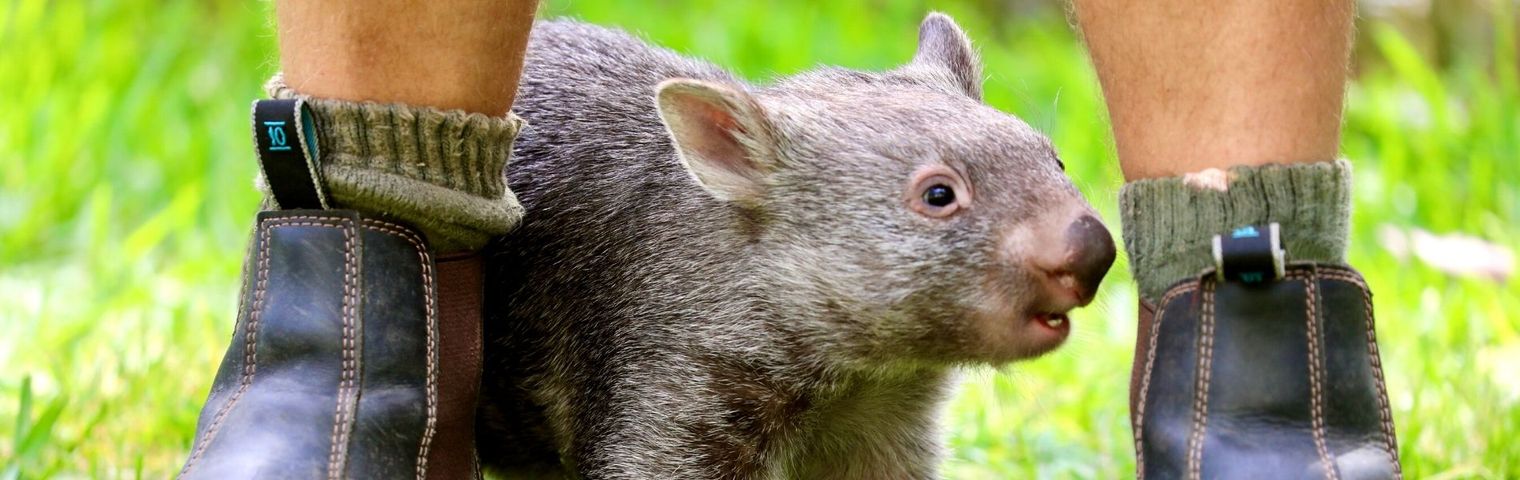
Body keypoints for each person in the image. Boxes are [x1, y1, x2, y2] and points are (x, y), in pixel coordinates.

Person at [178, 0, 1400, 478]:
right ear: (732, 163)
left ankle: (1256, 378)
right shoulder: (716, 267)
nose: (1073, 242)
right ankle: (356, 341)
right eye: (937, 200)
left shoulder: (865, 320)